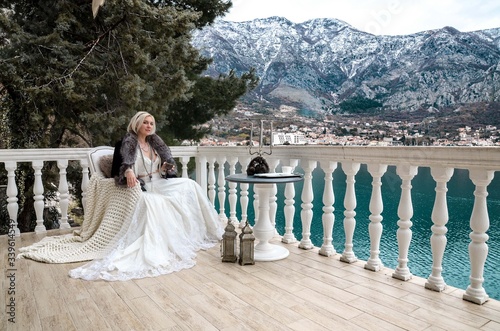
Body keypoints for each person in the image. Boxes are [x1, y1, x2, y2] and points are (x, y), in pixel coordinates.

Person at [67, 111, 224, 281]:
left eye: (151, 123)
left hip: (158, 181)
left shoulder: (155, 144)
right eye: (145, 123)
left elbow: (160, 168)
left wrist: (165, 168)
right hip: (141, 186)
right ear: (137, 124)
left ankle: (198, 232)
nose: (149, 126)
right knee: (156, 202)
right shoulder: (125, 144)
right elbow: (118, 169)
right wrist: (127, 171)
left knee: (190, 185)